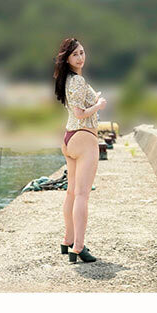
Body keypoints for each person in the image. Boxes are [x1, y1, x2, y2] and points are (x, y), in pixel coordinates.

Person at [53, 37, 107, 263]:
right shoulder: (76, 81)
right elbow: (80, 113)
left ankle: (68, 240)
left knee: (72, 193)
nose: (80, 57)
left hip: (70, 138)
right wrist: (99, 105)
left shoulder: (68, 79)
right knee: (82, 195)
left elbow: (77, 108)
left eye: (82, 52)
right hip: (83, 137)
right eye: (75, 54)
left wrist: (93, 99)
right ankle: (78, 246)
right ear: (67, 58)